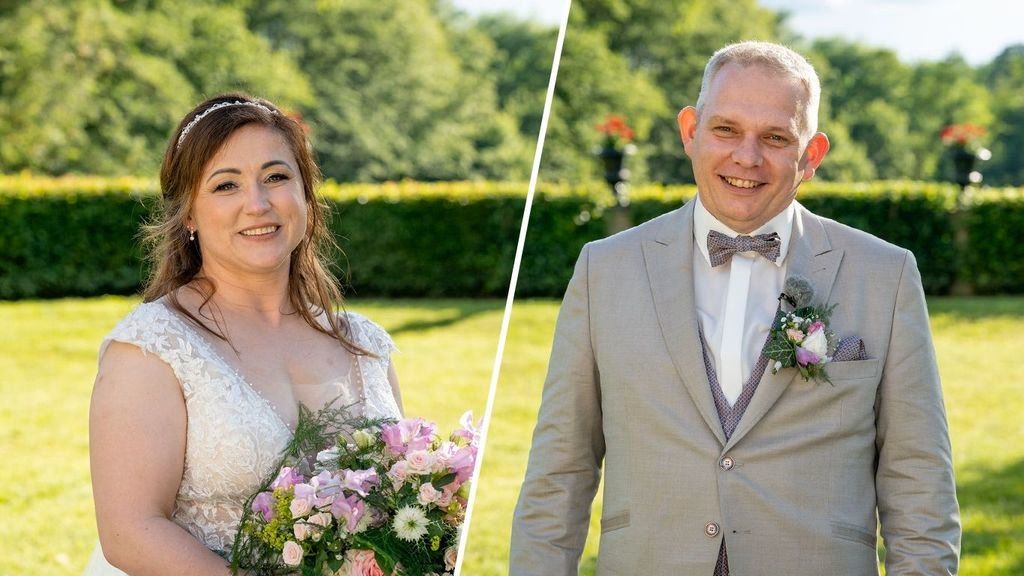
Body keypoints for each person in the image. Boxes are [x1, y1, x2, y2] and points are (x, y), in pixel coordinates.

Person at [510, 41, 960, 575]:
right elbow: (559, 471)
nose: (747, 157)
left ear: (811, 156)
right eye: (726, 129)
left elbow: (920, 480)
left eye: (775, 137)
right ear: (690, 131)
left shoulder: (884, 275)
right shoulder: (603, 269)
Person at [85, 93, 403, 575]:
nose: (257, 204)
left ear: (305, 194)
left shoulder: (364, 345)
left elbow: (406, 496)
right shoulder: (153, 347)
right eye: (225, 186)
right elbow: (131, 531)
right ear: (189, 214)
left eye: (276, 177)